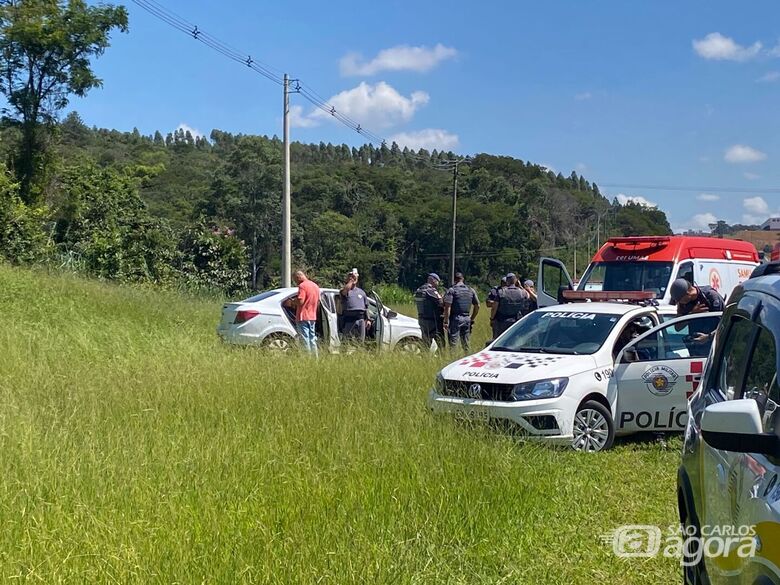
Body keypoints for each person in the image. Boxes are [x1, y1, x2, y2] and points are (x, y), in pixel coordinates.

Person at [669, 277, 725, 354]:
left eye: (679, 300)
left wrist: (708, 337)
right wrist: (692, 314)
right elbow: (677, 327)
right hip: (696, 350)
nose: (679, 303)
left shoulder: (711, 297)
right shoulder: (684, 304)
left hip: (715, 348)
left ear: (687, 294)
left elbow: (725, 324)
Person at [443, 272, 480, 352]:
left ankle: (453, 361)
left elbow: (447, 307)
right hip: (467, 318)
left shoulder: (452, 290)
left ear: (454, 280)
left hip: (455, 319)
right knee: (466, 344)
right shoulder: (471, 290)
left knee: (453, 344)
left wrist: (446, 321)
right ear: (462, 279)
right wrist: (472, 318)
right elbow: (477, 306)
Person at [491, 273, 531, 338]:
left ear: (507, 281)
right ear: (515, 281)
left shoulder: (501, 292)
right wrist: (520, 286)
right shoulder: (522, 292)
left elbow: (494, 307)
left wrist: (492, 318)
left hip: (501, 321)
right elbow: (528, 296)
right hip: (516, 322)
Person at [293, 270, 320, 356]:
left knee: (304, 339)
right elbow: (318, 301)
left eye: (295, 280)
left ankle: (307, 358)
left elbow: (301, 301)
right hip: (312, 316)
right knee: (312, 338)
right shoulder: (315, 286)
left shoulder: (302, 286)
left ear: (299, 277)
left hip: (303, 316)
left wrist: (293, 302)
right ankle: (315, 358)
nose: (296, 282)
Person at [414, 273, 445, 350]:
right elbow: (441, 302)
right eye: (438, 281)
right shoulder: (431, 290)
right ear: (434, 280)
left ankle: (424, 358)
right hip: (433, 321)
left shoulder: (419, 290)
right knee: (441, 343)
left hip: (422, 320)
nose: (438, 284)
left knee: (425, 343)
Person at [339, 269, 369, 344]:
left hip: (360, 320)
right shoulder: (344, 290)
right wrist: (351, 281)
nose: (353, 278)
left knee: (360, 342)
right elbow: (345, 291)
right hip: (349, 320)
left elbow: (366, 307)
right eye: (351, 276)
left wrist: (368, 319)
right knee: (346, 341)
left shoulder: (362, 292)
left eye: (354, 277)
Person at [486, 276, 507, 340]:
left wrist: (498, 303)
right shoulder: (495, 291)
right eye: (503, 283)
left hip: (508, 318)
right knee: (496, 339)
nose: (505, 284)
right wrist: (498, 303)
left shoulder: (512, 291)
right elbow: (488, 303)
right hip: (497, 319)